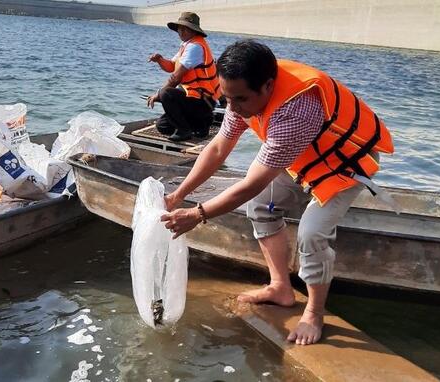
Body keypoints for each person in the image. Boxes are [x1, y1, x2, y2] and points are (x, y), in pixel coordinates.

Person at [160, 40, 394, 345]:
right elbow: (218, 148)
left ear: (268, 86)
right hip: (304, 155)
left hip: (346, 162)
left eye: (240, 99)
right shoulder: (241, 91)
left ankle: (313, 312)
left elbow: (252, 183)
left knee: (311, 232)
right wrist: (178, 195)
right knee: (261, 206)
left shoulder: (295, 111)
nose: (232, 109)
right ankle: (280, 288)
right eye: (226, 98)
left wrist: (197, 213)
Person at [147, 12, 221, 142]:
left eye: (184, 28)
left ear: (193, 30)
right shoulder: (187, 45)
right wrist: (159, 59)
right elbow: (171, 66)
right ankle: (201, 124)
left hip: (203, 101)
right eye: (179, 28)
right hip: (194, 98)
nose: (180, 31)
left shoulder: (195, 47)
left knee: (166, 93)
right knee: (163, 126)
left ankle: (185, 130)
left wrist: (158, 95)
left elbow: (175, 77)